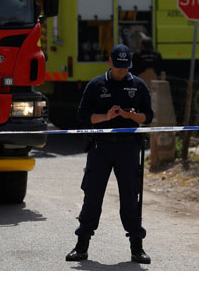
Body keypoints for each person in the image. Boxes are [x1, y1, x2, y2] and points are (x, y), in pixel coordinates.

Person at [66, 44, 154, 264]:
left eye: (125, 67)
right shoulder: (96, 85)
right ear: (110, 62)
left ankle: (137, 248)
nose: (121, 70)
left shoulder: (138, 85)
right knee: (92, 196)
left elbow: (148, 118)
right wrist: (106, 117)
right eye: (118, 66)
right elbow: (83, 116)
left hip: (128, 148)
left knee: (130, 199)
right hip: (100, 148)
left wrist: (132, 116)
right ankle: (81, 246)